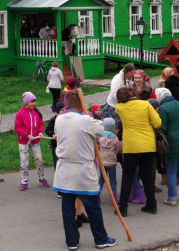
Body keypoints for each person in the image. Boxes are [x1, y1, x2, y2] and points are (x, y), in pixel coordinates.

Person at [52, 90, 116, 250]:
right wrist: (89, 116)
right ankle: (101, 239)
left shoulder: (59, 119)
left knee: (68, 207)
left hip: (65, 169)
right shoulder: (86, 120)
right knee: (93, 206)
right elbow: (101, 129)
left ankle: (72, 241)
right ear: (81, 104)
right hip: (82, 169)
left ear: (66, 104)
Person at [115, 87, 162, 217]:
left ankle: (123, 207)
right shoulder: (146, 104)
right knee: (147, 175)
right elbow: (157, 123)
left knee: (127, 176)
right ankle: (151, 204)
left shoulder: (120, 108)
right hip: (148, 145)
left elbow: (119, 105)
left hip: (131, 147)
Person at [155, 88, 179, 206]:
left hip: (172, 141)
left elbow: (163, 128)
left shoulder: (163, 108)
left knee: (171, 170)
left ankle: (172, 197)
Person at [14, 92, 49, 190]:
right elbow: (17, 128)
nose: (33, 103)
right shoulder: (20, 113)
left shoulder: (36, 113)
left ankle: (41, 178)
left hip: (35, 141)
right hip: (23, 142)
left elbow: (40, 124)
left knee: (39, 160)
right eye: (31, 102)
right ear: (26, 102)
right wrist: (27, 135)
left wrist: (40, 132)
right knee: (24, 162)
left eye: (34, 101)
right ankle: (24, 181)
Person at [101, 63, 135, 130]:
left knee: (120, 125)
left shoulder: (130, 79)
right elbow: (114, 94)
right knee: (112, 126)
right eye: (131, 73)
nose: (133, 75)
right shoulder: (117, 79)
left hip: (123, 106)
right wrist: (124, 101)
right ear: (126, 72)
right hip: (113, 105)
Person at [98, 118, 123, 206]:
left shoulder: (100, 137)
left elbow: (97, 147)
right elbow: (119, 149)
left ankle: (97, 197)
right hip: (112, 162)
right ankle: (114, 199)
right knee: (112, 180)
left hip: (102, 161)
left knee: (101, 178)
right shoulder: (115, 138)